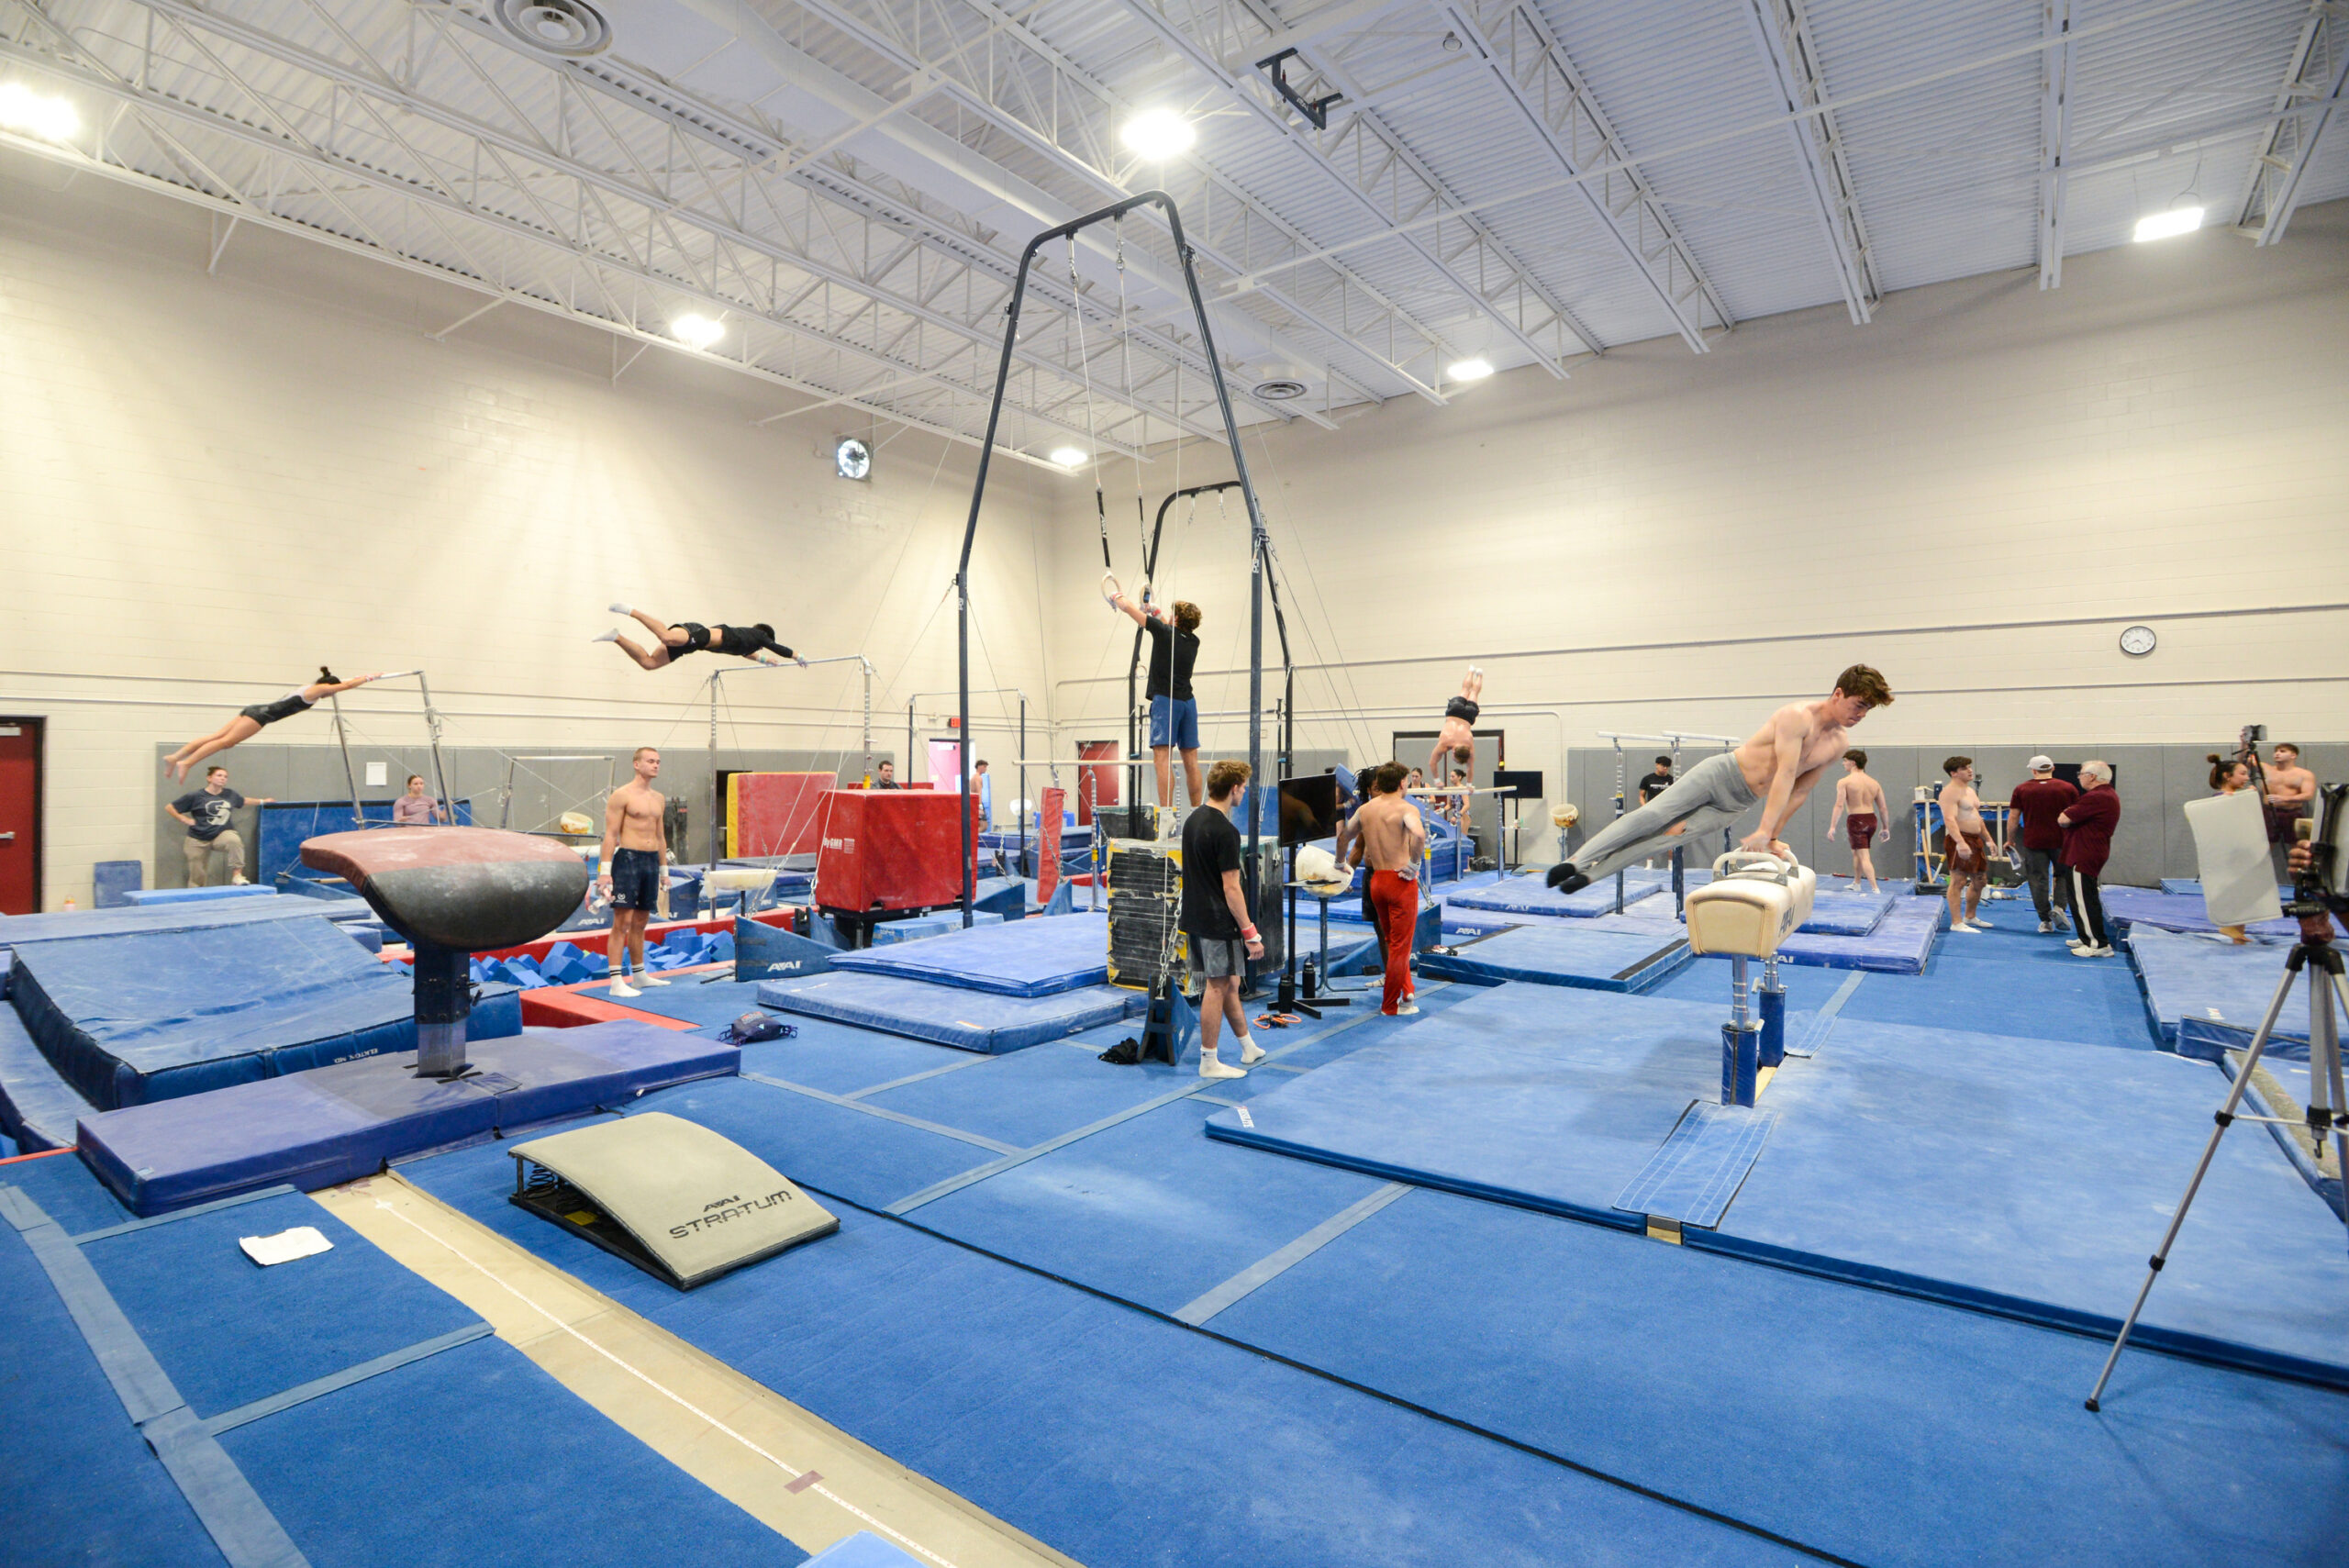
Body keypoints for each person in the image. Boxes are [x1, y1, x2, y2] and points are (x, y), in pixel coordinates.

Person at [1547, 665, 1894, 894]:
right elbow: (1786, 774)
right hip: (1719, 775)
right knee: (1651, 817)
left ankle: (1588, 876)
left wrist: (1772, 835)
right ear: (1838, 693)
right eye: (1859, 704)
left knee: (1666, 839)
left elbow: (1800, 791)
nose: (1861, 714)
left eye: (1868, 709)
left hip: (1737, 804)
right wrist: (1763, 830)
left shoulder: (1838, 745)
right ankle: (1574, 862)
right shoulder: (1797, 717)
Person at [1180, 760, 1266, 1080]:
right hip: (1217, 922)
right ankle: (1209, 1061)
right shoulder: (1226, 831)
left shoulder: (1193, 820)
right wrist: (1250, 932)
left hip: (1195, 917)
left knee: (1230, 982)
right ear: (1234, 789)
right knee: (1216, 986)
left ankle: (1247, 1046)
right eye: (1243, 787)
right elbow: (1231, 888)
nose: (1243, 792)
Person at [165, 668, 382, 782]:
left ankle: (176, 757)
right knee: (226, 742)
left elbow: (344, 683)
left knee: (216, 737)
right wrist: (370, 677)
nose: (330, 695)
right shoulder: (318, 690)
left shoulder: (309, 687)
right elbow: (347, 686)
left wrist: (359, 677)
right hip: (261, 716)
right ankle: (187, 763)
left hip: (256, 710)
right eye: (331, 691)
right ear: (327, 687)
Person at [1106, 579, 1204, 814]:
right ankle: (1198, 812)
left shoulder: (1164, 633)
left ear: (1176, 619)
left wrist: (1116, 596)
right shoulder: (1193, 641)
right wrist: (1155, 610)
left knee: (1162, 758)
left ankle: (1167, 815)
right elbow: (1169, 627)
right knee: (1191, 760)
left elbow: (1127, 607)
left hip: (1166, 702)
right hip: (1188, 703)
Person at [1351, 763, 1429, 1017]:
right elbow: (1419, 835)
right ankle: (1391, 1005)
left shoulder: (1365, 811)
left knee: (1391, 941)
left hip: (1377, 880)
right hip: (1398, 879)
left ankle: (1406, 989)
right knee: (1398, 945)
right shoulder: (1405, 809)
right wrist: (1415, 863)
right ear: (1403, 783)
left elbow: (1344, 838)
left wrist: (1340, 865)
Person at [597, 747, 672, 998]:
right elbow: (610, 835)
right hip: (627, 860)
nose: (656, 765)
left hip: (650, 862)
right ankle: (616, 982)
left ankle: (639, 975)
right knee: (623, 922)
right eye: (650, 761)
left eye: (658, 761)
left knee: (641, 921)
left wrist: (664, 871)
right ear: (636, 764)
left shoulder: (659, 798)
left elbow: (660, 837)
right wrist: (605, 872)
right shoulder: (622, 795)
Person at [596, 605, 799, 671]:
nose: (761, 649)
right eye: (763, 646)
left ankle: (616, 637)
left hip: (694, 646)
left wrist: (766, 660)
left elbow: (749, 654)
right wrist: (797, 656)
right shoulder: (758, 635)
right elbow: (778, 647)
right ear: (764, 636)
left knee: (649, 663)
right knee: (666, 637)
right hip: (698, 633)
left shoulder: (745, 645)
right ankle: (631, 611)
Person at [167, 766, 273, 886]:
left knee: (234, 841)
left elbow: (243, 801)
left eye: (225, 777)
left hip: (220, 834)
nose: (223, 778)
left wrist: (262, 801)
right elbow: (170, 807)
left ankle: (237, 876)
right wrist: (184, 819)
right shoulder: (196, 796)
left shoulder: (230, 794)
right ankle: (197, 892)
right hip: (197, 837)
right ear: (209, 778)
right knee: (197, 873)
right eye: (219, 775)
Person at [2058, 760, 2121, 958]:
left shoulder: (2097, 796)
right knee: (2083, 897)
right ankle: (2086, 935)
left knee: (2083, 900)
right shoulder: (2105, 795)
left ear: (2092, 776)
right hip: (2086, 851)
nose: (2079, 777)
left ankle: (2096, 943)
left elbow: (2063, 819)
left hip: (2084, 853)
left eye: (2081, 774)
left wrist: (2067, 816)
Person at [2009, 756, 2076, 934]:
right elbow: (2076, 814)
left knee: (2037, 879)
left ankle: (2045, 920)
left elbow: (2013, 817)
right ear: (2053, 768)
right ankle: (2060, 908)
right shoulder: (2068, 788)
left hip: (2034, 842)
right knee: (2064, 875)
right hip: (2062, 841)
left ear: (2033, 771)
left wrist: (2010, 839)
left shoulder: (2022, 789)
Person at [2206, 752, 2259, 942]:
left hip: (2241, 848)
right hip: (2230, 851)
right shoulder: (2224, 797)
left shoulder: (2236, 796)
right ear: (2228, 776)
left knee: (2246, 891)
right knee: (2239, 890)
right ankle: (2229, 926)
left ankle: (2238, 933)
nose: (2246, 778)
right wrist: (2248, 797)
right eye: (2242, 774)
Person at [1936, 757, 1992, 932]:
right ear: (1953, 773)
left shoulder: (1970, 791)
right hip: (1959, 839)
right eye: (1964, 768)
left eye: (1969, 767)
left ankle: (1970, 916)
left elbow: (1978, 818)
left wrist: (1988, 839)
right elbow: (1949, 819)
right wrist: (1960, 842)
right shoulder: (1949, 792)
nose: (1970, 770)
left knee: (1980, 881)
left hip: (1975, 839)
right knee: (1958, 881)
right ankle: (1956, 922)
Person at [1825, 750, 1891, 894]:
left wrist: (1832, 827)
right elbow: (1883, 808)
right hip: (1871, 820)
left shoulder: (1844, 782)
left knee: (1864, 856)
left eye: (1845, 761)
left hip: (1857, 821)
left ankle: (1875, 888)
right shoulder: (1874, 783)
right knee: (1856, 852)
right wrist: (1885, 827)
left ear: (1853, 763)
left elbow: (1839, 805)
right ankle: (1857, 882)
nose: (1843, 764)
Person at [2266, 742, 2318, 880]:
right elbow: (2244, 762)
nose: (2277, 754)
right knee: (2264, 848)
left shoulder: (2304, 774)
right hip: (2270, 813)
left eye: (2282, 751)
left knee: (2298, 849)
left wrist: (2284, 798)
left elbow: (2308, 795)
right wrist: (2244, 742)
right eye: (2276, 751)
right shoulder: (2267, 770)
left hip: (2292, 814)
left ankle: (2301, 882)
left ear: (2293, 755)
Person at [1426, 667, 1484, 784]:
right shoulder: (1444, 744)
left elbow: (1470, 768)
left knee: (1471, 692)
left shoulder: (1469, 747)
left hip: (1467, 715)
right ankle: (1473, 672)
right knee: (1469, 691)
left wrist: (1469, 784)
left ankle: (1476, 673)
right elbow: (1432, 763)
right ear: (1453, 752)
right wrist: (1437, 780)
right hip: (1454, 713)